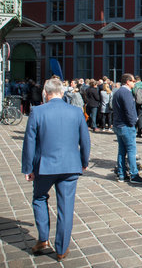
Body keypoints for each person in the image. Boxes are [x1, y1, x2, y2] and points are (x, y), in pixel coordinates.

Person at [22, 78, 90, 262]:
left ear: (46, 92)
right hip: (70, 166)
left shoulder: (37, 111)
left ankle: (43, 239)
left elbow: (29, 142)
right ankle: (61, 248)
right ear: (61, 92)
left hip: (44, 166)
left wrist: (28, 167)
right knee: (66, 207)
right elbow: (85, 140)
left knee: (39, 198)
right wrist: (84, 161)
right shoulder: (76, 112)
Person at [112, 73, 142, 184]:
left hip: (118, 125)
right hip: (126, 126)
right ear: (127, 81)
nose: (134, 83)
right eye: (132, 81)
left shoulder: (117, 92)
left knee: (121, 151)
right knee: (132, 151)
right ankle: (134, 174)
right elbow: (129, 111)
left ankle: (122, 174)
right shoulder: (126, 93)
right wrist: (133, 122)